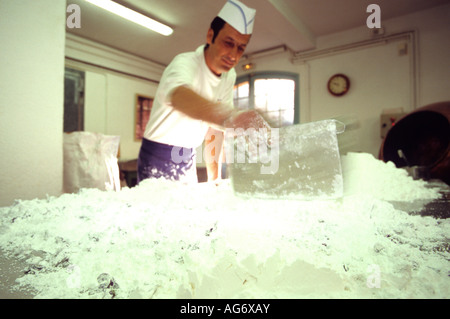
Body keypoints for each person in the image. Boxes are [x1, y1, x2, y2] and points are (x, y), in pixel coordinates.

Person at [137, 0, 270, 184]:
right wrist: (231, 116)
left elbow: (215, 128)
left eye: (241, 47)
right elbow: (178, 96)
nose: (233, 55)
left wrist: (214, 177)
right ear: (210, 35)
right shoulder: (185, 63)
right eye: (228, 42)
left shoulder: (228, 75)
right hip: (158, 154)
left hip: (188, 155)